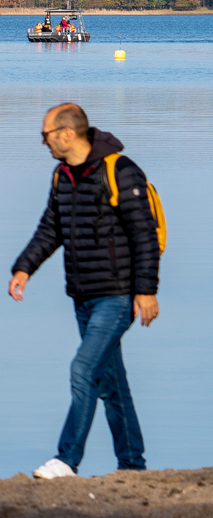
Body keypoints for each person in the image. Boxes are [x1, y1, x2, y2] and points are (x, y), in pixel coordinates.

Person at [9, 103, 160, 479]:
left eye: (45, 134)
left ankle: (66, 459)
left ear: (66, 133)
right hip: (82, 295)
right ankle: (133, 465)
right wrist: (24, 267)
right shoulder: (62, 175)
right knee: (111, 384)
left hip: (118, 295)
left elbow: (144, 234)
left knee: (83, 369)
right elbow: (51, 228)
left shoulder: (120, 170)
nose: (42, 141)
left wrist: (146, 291)